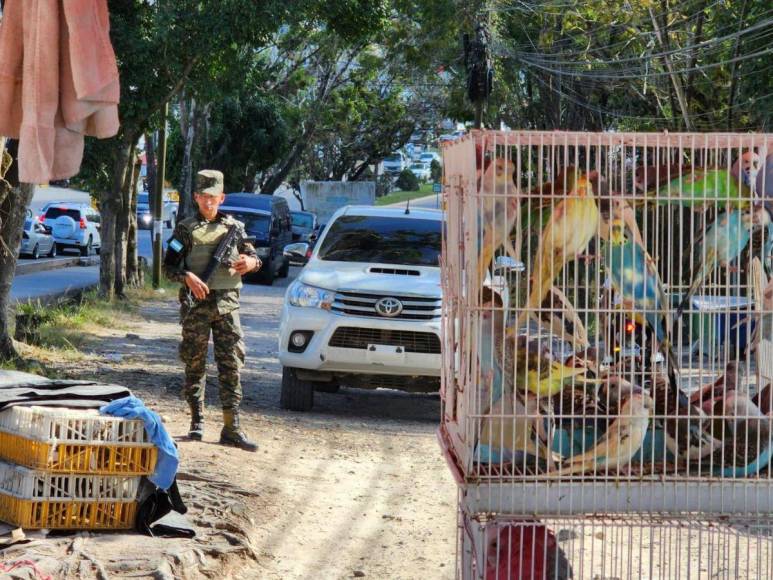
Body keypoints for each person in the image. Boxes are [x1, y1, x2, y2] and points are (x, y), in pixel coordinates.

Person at [163, 169, 261, 452]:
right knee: (195, 362)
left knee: (231, 364)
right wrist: (187, 277)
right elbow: (168, 266)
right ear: (196, 197)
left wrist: (250, 263)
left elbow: (254, 256)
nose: (209, 203)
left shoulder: (235, 228)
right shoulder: (185, 229)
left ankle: (232, 427)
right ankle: (197, 421)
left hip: (228, 306)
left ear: (222, 198)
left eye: (214, 198)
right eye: (204, 197)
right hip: (197, 307)